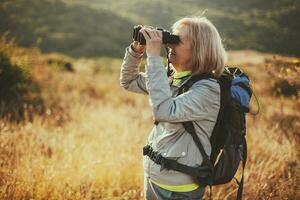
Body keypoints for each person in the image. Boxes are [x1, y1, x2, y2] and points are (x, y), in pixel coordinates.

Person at [120, 16, 227, 200]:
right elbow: (129, 81)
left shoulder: (208, 90)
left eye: (177, 40)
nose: (170, 44)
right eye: (172, 38)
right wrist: (137, 50)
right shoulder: (174, 79)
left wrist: (154, 57)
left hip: (179, 190)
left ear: (199, 49)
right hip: (154, 179)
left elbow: (163, 110)